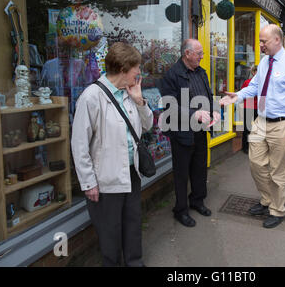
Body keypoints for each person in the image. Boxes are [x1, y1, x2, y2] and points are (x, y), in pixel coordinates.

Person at [220, 24, 285, 229]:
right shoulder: (264, 62)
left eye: (264, 41)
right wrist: (238, 95)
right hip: (261, 122)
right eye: (260, 41)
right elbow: (254, 86)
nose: (260, 45)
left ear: (277, 40)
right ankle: (267, 199)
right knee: (256, 163)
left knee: (278, 171)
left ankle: (277, 210)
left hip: (284, 123)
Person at [71, 42, 153, 267]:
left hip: (131, 172)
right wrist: (89, 183)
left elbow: (147, 125)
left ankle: (135, 262)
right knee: (110, 232)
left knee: (133, 224)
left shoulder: (129, 93)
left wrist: (139, 100)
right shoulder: (91, 97)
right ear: (123, 69)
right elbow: (79, 145)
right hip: (105, 178)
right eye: (136, 68)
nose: (139, 72)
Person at [159, 39, 220, 228]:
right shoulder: (172, 75)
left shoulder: (201, 72)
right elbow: (170, 106)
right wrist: (195, 114)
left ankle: (197, 201)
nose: (202, 56)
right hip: (182, 131)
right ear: (187, 54)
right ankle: (181, 210)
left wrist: (215, 110)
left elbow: (208, 95)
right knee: (181, 173)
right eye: (199, 53)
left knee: (200, 168)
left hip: (201, 130)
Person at [241, 65, 258, 154]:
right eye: (256, 71)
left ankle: (248, 147)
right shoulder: (248, 82)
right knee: (248, 128)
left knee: (252, 128)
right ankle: (246, 147)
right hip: (251, 106)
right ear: (253, 72)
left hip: (254, 106)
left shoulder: (248, 82)